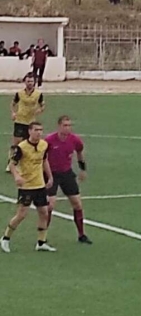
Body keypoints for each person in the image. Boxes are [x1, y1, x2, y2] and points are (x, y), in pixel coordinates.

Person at [1, 122, 55, 253]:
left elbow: (44, 161)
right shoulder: (22, 147)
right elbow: (12, 164)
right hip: (26, 186)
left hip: (40, 185)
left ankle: (41, 242)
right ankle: (5, 238)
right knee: (21, 214)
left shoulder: (44, 145)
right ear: (30, 131)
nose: (39, 132)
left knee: (44, 212)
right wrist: (17, 177)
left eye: (41, 130)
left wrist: (50, 177)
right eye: (36, 130)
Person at [46, 115, 90, 244]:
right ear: (59, 126)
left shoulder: (75, 140)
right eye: (65, 125)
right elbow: (41, 157)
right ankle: (42, 236)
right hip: (51, 174)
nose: (68, 128)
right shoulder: (49, 140)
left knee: (77, 203)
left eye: (69, 125)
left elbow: (79, 152)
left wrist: (82, 169)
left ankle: (81, 234)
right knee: (50, 205)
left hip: (66, 173)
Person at [9, 74, 44, 172]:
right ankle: (11, 163)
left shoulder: (38, 94)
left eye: (31, 81)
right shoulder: (19, 93)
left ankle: (26, 163)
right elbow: (13, 104)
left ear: (34, 82)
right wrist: (13, 113)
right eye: (28, 81)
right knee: (16, 143)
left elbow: (42, 105)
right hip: (20, 120)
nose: (30, 83)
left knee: (28, 143)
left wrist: (40, 110)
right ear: (25, 82)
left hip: (31, 122)